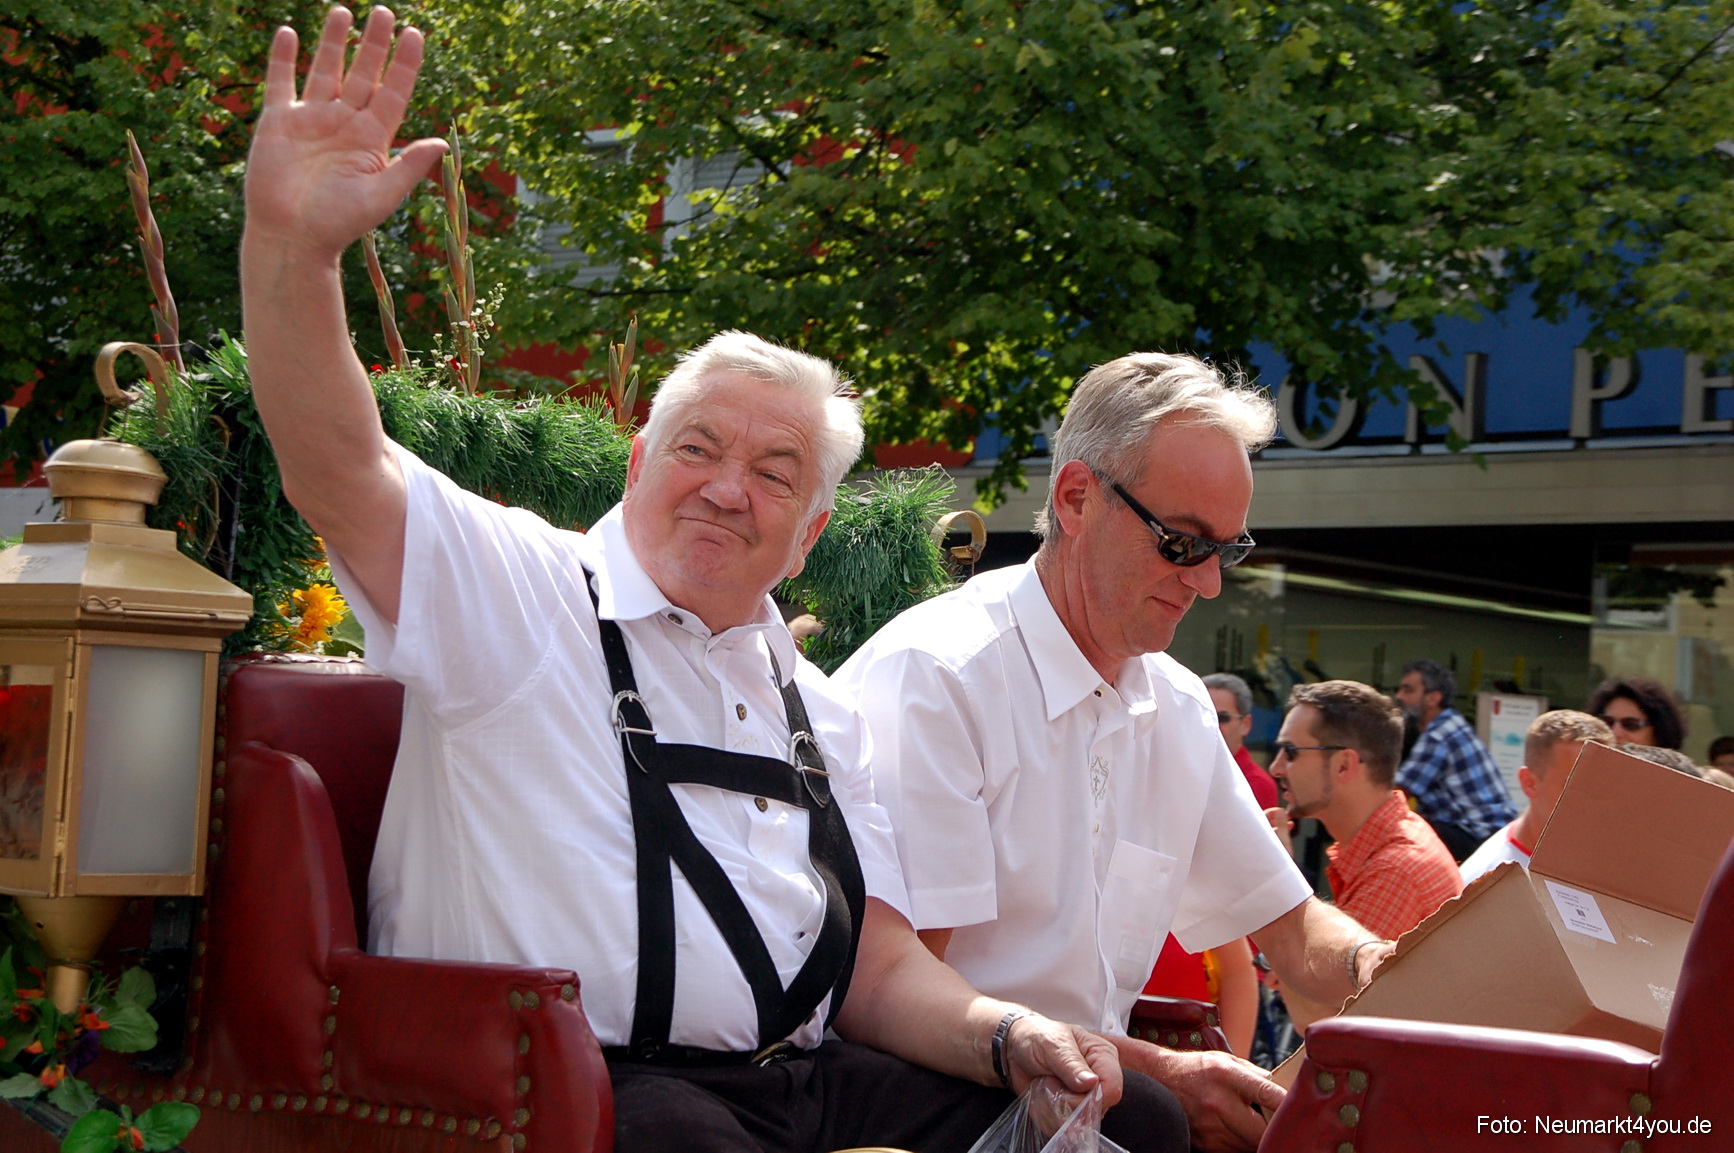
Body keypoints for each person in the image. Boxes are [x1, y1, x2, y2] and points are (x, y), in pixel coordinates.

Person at [238, 10, 1176, 1152]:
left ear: (812, 529)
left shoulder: (816, 706)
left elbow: (876, 971)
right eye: (696, 448)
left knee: (1142, 1123)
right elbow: (339, 464)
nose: (727, 488)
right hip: (551, 1100)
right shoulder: (522, 595)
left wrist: (1007, 1033)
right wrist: (293, 248)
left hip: (799, 1084)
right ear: (638, 463)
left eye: (773, 471)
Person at [834, 352, 1396, 1153]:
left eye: (1226, 551)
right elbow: (901, 1000)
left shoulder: (1174, 704)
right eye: (1182, 542)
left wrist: (1388, 967)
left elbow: (1293, 934)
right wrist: (1159, 1075)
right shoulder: (940, 676)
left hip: (1076, 1107)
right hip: (936, 1102)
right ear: (1075, 499)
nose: (1207, 584)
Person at [1265, 680, 1463, 1028]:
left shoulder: (1396, 869)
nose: (1276, 767)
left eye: (1291, 752)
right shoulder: (1386, 843)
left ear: (1344, 765)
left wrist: (1273, 882)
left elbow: (1325, 1023)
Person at [1458, 711, 1613, 883]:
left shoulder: (1616, 859)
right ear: (1529, 783)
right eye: (1575, 786)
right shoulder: (1485, 886)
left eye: (1602, 785)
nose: (1592, 800)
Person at [1393, 660, 1516, 861]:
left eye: (1408, 690)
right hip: (1490, 834)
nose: (1399, 696)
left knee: (1400, 837)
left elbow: (1399, 792)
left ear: (1433, 698)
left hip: (1476, 835)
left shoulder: (1439, 734)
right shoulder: (1450, 723)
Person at [1202, 672, 1278, 809]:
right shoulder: (1173, 769)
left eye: (1222, 718)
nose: (1212, 725)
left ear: (1245, 724)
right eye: (1203, 716)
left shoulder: (1257, 784)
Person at [1586, 676, 1687, 750]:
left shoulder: (1679, 778)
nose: (1615, 733)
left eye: (1631, 725)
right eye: (1607, 723)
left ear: (1658, 733)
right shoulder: (1581, 776)